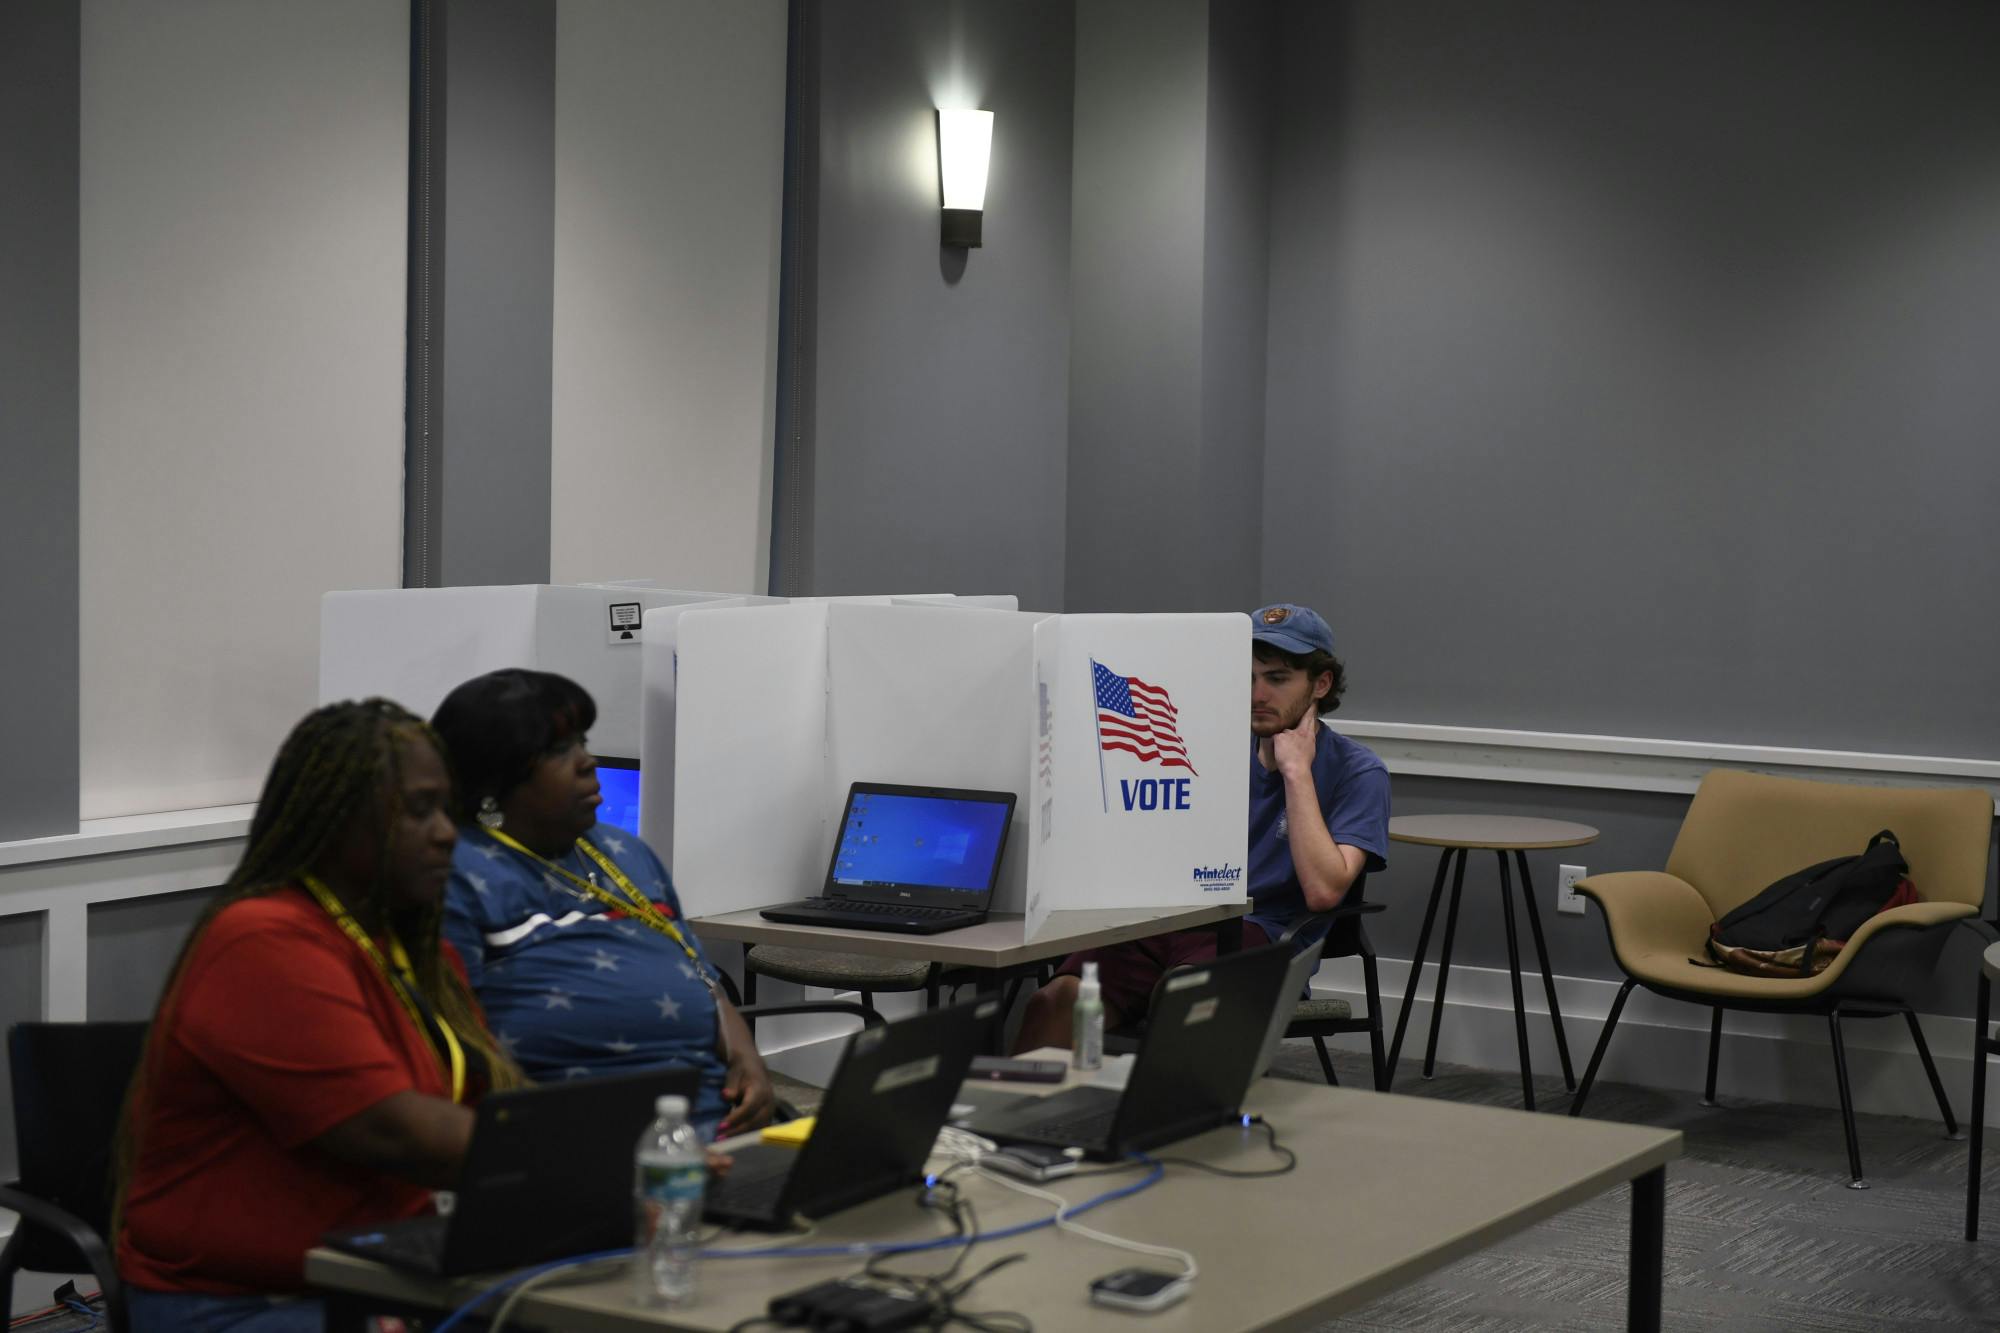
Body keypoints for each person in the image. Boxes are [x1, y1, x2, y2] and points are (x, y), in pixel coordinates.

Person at [117, 700, 521, 1332]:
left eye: (449, 810)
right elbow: (398, 1134)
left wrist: (619, 1151)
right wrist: (596, 1168)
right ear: (338, 820)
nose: (447, 832)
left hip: (383, 1275)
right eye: (419, 810)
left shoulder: (411, 950)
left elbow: (493, 1102)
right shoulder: (262, 942)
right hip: (242, 1304)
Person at [1013, 603, 1391, 1049]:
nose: (1257, 694)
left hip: (1261, 931)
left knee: (1183, 1001)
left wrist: (1296, 773)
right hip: (1166, 920)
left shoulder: (1358, 771)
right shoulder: (1203, 747)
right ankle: (1028, 1117)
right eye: (1247, 677)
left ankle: (1168, 1115)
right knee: (1053, 1003)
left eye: (1277, 678)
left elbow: (1325, 892)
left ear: (1320, 684)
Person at [431, 668, 775, 1139]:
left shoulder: (624, 852)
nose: (586, 762)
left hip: (709, 1124)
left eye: (582, 742)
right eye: (558, 752)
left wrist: (747, 1060)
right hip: (576, 1143)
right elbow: (450, 1040)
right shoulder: (455, 873)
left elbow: (703, 978)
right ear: (493, 780)